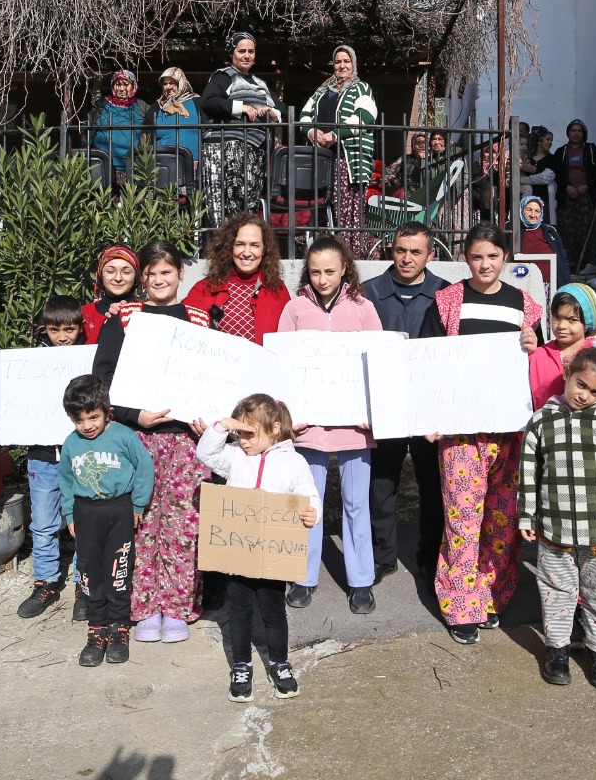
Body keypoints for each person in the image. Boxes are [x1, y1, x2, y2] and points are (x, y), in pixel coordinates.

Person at [420, 223, 544, 643]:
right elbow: (429, 362)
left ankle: (491, 596)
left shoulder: (524, 307)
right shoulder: (447, 302)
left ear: (505, 258)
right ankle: (460, 606)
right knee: (462, 518)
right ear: (465, 259)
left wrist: (534, 347)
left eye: (493, 256)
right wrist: (431, 418)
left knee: (501, 520)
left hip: (510, 433)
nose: (485, 264)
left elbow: (539, 370)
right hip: (460, 433)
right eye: (477, 256)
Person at [92, 239, 214, 643]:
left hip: (186, 440)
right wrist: (133, 415)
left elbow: (213, 378)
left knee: (183, 523)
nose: (159, 279)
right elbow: (103, 377)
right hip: (136, 437)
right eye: (151, 273)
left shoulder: (199, 320)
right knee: (139, 520)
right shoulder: (124, 317)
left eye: (167, 271)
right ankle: (143, 608)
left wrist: (206, 418)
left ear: (181, 273)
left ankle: (178, 607)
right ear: (142, 278)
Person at [521, 347, 596, 688]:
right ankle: (557, 651)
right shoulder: (542, 421)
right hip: (553, 532)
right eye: (581, 384)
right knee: (556, 594)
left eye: (595, 391)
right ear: (568, 374)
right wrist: (527, 516)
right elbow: (529, 471)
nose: (584, 395)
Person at [277, 236, 384, 614]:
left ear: (345, 270)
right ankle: (303, 577)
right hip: (309, 426)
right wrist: (290, 418)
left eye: (330, 271)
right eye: (315, 271)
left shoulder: (363, 308)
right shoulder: (294, 309)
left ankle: (360, 581)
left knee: (357, 503)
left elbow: (379, 362)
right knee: (309, 502)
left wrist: (371, 412)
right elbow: (282, 367)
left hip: (354, 425)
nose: (322, 279)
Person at [194, 396, 321, 702]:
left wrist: (311, 513)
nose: (243, 440)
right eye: (239, 433)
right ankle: (241, 664)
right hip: (239, 554)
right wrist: (224, 426)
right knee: (239, 611)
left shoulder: (294, 462)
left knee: (274, 611)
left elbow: (309, 496)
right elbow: (205, 451)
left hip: (274, 556)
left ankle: (279, 662)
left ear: (275, 429)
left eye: (250, 433)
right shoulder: (235, 455)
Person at [363, 221, 450, 584]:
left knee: (434, 485)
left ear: (430, 255)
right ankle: (384, 556)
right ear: (390, 250)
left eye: (416, 251)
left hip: (429, 409)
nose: (407, 258)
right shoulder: (368, 293)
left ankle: (430, 557)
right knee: (382, 483)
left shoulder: (447, 294)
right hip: (386, 407)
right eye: (401, 250)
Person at [57, 375, 155, 667]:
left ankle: (118, 628)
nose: (87, 426)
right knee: (89, 571)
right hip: (85, 514)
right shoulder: (71, 444)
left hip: (119, 511)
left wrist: (138, 503)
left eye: (93, 417)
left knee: (118, 570)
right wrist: (70, 513)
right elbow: (65, 480)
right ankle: (96, 627)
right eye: (79, 420)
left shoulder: (125, 436)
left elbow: (144, 467)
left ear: (106, 410)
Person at [18, 293, 86, 621]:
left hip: (82, 457)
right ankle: (45, 581)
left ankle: (81, 584)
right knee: (43, 523)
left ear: (80, 329)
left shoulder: (89, 361)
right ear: (43, 328)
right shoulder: (29, 364)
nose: (62, 337)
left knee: (83, 522)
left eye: (70, 330)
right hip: (42, 457)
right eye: (54, 329)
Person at [298, 44, 379, 257]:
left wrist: (334, 135)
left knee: (346, 206)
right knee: (323, 205)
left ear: (353, 64)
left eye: (346, 61)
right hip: (322, 158)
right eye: (338, 61)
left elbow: (366, 116)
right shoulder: (322, 90)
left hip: (346, 158)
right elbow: (305, 115)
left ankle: (349, 255)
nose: (342, 65)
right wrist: (311, 133)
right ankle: (324, 253)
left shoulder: (361, 88)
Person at [200, 32, 281, 226]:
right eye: (241, 51)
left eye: (251, 51)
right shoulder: (224, 77)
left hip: (254, 153)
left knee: (247, 209)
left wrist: (270, 111)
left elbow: (282, 109)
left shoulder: (261, 84)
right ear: (232, 53)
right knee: (225, 208)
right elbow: (208, 101)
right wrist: (242, 107)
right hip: (225, 152)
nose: (247, 56)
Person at [184, 213, 291, 345]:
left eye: (255, 245)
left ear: (264, 250)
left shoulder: (278, 290)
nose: (246, 253)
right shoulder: (204, 289)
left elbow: (289, 340)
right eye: (240, 244)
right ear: (229, 247)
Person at [530, 284, 596, 419]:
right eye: (556, 317)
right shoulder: (537, 356)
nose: (561, 326)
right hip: (547, 437)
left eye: (572, 320)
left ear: (587, 323)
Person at [553, 119, 596, 268]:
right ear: (568, 133)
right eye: (573, 130)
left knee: (586, 229)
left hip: (586, 196)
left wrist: (587, 186)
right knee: (568, 229)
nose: (576, 133)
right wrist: (567, 187)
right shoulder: (561, 152)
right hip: (567, 197)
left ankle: (586, 263)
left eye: (579, 131)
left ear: (584, 134)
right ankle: (570, 263)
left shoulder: (592, 150)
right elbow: (557, 173)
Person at [89, 70, 152, 183]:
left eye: (126, 84)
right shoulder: (101, 106)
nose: (122, 89)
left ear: (133, 86)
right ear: (113, 86)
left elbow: (150, 133)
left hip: (135, 167)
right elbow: (88, 133)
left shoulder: (142, 107)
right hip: (103, 166)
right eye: (118, 84)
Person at [81, 244, 139, 345]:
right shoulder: (83, 314)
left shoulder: (145, 312)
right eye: (110, 271)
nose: (118, 278)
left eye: (126, 272)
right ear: (100, 274)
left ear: (136, 276)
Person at [519, 194, 571, 289]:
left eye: (537, 211)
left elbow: (563, 259)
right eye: (529, 210)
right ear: (522, 210)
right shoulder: (514, 231)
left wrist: (565, 281)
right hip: (524, 285)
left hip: (550, 286)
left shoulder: (550, 231)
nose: (533, 215)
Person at [153, 66, 201, 163]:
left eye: (172, 83)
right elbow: (146, 134)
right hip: (164, 163)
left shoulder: (197, 102)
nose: (168, 87)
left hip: (193, 161)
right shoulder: (157, 106)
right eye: (165, 84)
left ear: (181, 83)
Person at [384, 132, 431, 202]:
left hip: (427, 198)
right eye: (418, 143)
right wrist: (395, 180)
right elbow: (386, 171)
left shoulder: (432, 159)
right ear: (413, 144)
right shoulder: (405, 159)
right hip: (407, 199)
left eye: (424, 142)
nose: (421, 146)